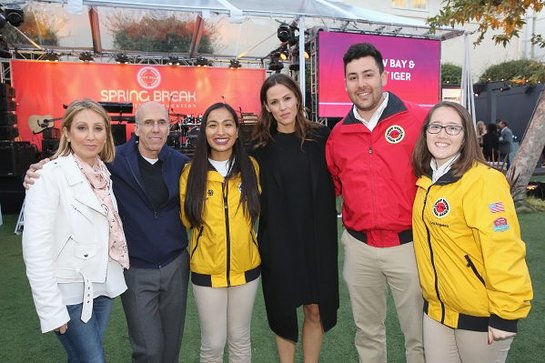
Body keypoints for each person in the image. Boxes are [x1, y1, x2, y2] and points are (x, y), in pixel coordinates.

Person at [24, 101, 190, 363]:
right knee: (136, 351)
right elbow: (35, 247)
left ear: (170, 127)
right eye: (148, 123)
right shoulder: (114, 161)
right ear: (136, 129)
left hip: (165, 267)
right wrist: (39, 169)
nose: (155, 129)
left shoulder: (180, 164)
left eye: (162, 123)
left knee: (170, 346)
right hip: (129, 270)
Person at [325, 42, 427, 363]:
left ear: (384, 75)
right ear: (345, 83)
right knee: (367, 333)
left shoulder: (418, 119)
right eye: (353, 77)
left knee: (420, 335)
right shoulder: (338, 135)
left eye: (368, 74)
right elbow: (332, 187)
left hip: (409, 246)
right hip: (360, 249)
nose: (361, 84)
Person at [411, 101, 533, 363]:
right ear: (425, 133)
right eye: (436, 126)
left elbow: (504, 249)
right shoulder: (426, 182)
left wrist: (506, 314)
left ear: (467, 136)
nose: (442, 134)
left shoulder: (484, 181)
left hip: (480, 315)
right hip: (437, 312)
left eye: (453, 128)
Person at [22, 99, 129, 362]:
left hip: (102, 287)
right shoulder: (48, 175)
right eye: (82, 128)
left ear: (107, 134)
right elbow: (35, 249)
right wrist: (51, 309)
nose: (91, 137)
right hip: (68, 293)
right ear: (67, 133)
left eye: (98, 128)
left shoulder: (103, 174)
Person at [252, 73, 339, 363]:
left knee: (315, 309)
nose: (283, 107)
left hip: (317, 240)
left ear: (298, 98)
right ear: (267, 107)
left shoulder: (322, 138)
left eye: (287, 98)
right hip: (277, 241)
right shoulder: (258, 147)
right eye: (274, 102)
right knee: (283, 311)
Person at [180, 102, 261, 363]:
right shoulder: (190, 173)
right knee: (213, 345)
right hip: (206, 272)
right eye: (212, 125)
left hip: (246, 271)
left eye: (227, 124)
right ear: (204, 132)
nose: (220, 131)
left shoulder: (251, 167)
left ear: (237, 131)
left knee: (240, 341)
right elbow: (186, 220)